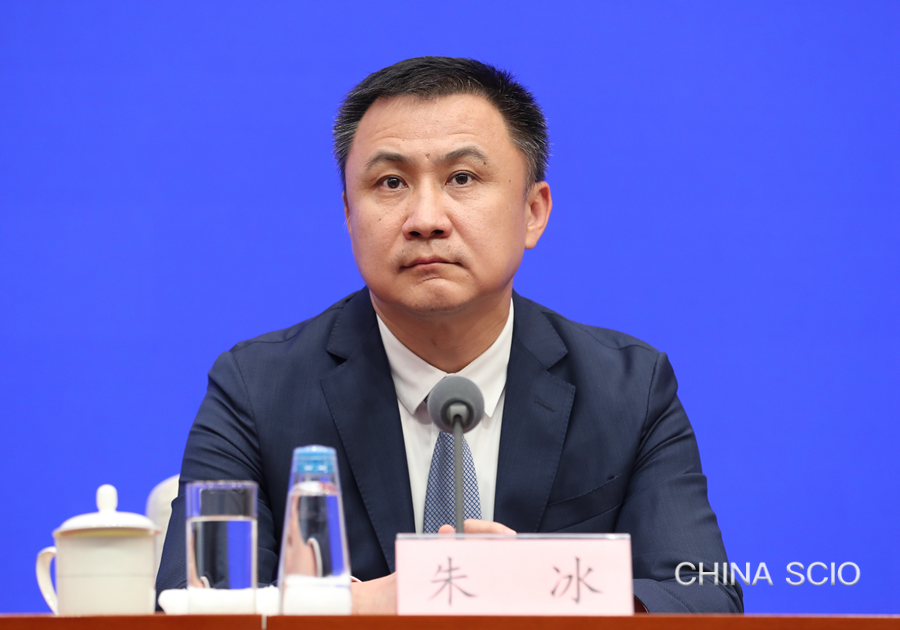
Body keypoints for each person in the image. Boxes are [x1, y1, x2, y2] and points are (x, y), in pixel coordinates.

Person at [156, 57, 743, 614]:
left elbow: (705, 597)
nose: (426, 219)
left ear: (533, 211)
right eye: (391, 183)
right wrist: (363, 606)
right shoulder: (257, 388)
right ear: (348, 215)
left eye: (462, 177)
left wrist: (540, 586)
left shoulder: (627, 389)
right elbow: (190, 602)